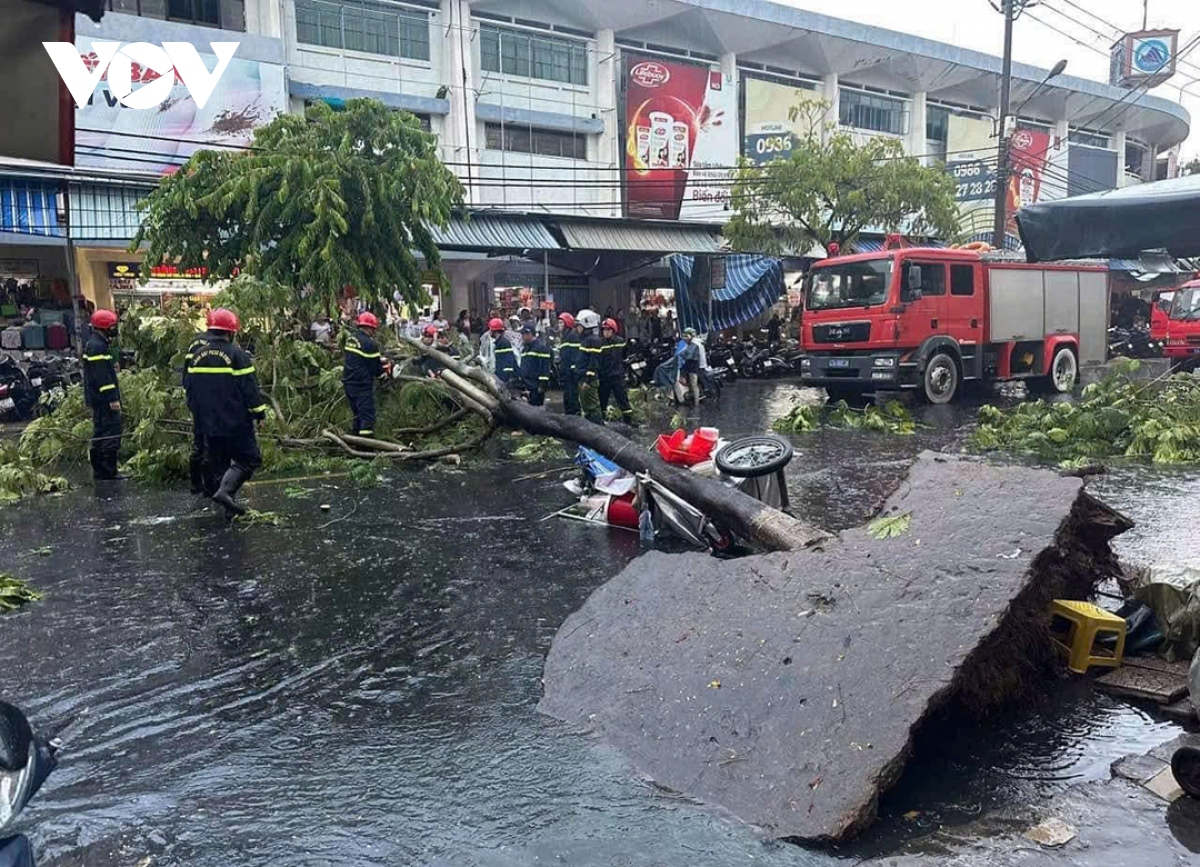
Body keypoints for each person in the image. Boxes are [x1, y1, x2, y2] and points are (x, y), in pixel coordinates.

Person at [185, 309, 267, 516]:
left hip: (207, 421)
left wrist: (198, 415)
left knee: (219, 462)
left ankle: (226, 505)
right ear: (231, 333)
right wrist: (259, 414)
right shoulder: (237, 355)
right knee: (249, 459)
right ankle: (226, 492)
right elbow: (249, 388)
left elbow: (190, 388)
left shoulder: (196, 356)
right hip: (235, 419)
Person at [82, 308, 122, 481]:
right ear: (106, 327)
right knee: (110, 433)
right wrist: (112, 399)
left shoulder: (96, 344)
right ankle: (107, 471)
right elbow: (102, 378)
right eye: (113, 325)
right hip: (103, 400)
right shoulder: (97, 346)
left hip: (97, 399)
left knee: (100, 432)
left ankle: (101, 471)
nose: (115, 328)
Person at [184, 312, 217, 496]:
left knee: (199, 440)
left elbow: (187, 376)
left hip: (196, 399)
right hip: (213, 401)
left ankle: (196, 484)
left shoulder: (195, 343)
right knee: (211, 443)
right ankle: (210, 485)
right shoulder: (220, 346)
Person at [343, 312, 383, 437]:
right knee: (367, 416)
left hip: (349, 382)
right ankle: (366, 449)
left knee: (357, 415)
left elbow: (361, 359)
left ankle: (355, 441)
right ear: (370, 328)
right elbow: (376, 369)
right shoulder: (370, 344)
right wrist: (383, 373)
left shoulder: (351, 338)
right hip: (362, 385)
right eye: (373, 329)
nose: (374, 332)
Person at [599, 317, 634, 425]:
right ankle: (602, 421)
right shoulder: (600, 343)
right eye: (604, 330)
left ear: (613, 331)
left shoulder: (620, 342)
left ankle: (629, 421)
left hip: (617, 377)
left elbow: (625, 357)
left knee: (623, 400)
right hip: (604, 377)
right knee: (602, 401)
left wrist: (625, 372)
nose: (606, 332)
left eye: (608, 330)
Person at [576, 309, 604, 424]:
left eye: (579, 325)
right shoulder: (586, 340)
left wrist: (588, 381)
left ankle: (599, 431)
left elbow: (594, 362)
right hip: (583, 378)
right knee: (586, 408)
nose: (577, 328)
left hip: (589, 381)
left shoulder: (593, 340)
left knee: (592, 408)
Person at [519, 323, 551, 406]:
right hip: (526, 386)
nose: (522, 336)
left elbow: (545, 367)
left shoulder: (541, 348)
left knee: (536, 412)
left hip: (536, 387)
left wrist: (543, 385)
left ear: (530, 334)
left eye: (524, 334)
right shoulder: (525, 349)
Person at [557, 312, 581, 416]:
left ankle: (574, 414)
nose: (559, 325)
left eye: (561, 323)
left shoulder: (572, 335)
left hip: (571, 373)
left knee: (572, 395)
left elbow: (575, 354)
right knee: (567, 395)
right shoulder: (564, 336)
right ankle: (569, 414)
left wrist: (573, 369)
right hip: (566, 371)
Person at [489, 317, 518, 384]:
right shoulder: (499, 343)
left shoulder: (503, 343)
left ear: (494, 330)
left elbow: (508, 361)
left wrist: (506, 378)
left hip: (505, 379)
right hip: (501, 377)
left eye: (490, 329)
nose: (489, 331)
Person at [679, 327, 702, 407]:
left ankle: (696, 404)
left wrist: (682, 355)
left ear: (691, 336)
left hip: (693, 367)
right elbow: (682, 353)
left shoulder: (694, 346)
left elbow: (688, 355)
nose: (685, 337)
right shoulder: (687, 346)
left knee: (694, 385)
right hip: (687, 367)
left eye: (686, 336)